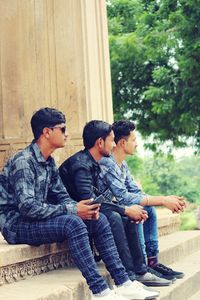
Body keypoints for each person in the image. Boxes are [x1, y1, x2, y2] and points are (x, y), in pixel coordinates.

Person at [0, 108, 159, 300]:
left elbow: (62, 196)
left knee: (97, 219)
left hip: (37, 218)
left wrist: (82, 210)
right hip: (17, 225)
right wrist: (74, 210)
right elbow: (28, 207)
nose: (67, 134)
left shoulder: (49, 162)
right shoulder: (24, 162)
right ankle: (100, 292)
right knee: (72, 223)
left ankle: (124, 282)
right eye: (63, 129)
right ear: (47, 132)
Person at [59, 120, 171, 287]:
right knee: (115, 216)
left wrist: (127, 210)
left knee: (126, 216)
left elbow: (101, 198)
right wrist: (125, 209)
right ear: (100, 142)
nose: (113, 146)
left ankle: (140, 271)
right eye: (111, 140)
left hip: (89, 212)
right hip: (71, 215)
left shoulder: (94, 163)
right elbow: (90, 203)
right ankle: (130, 277)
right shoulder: (81, 165)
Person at [98, 120, 186, 280]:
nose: (137, 144)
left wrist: (165, 199)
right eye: (134, 140)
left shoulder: (122, 164)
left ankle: (152, 262)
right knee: (137, 208)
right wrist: (162, 200)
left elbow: (135, 191)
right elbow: (123, 196)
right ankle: (142, 266)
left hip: (119, 207)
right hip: (109, 211)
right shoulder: (107, 163)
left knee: (149, 208)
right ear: (123, 142)